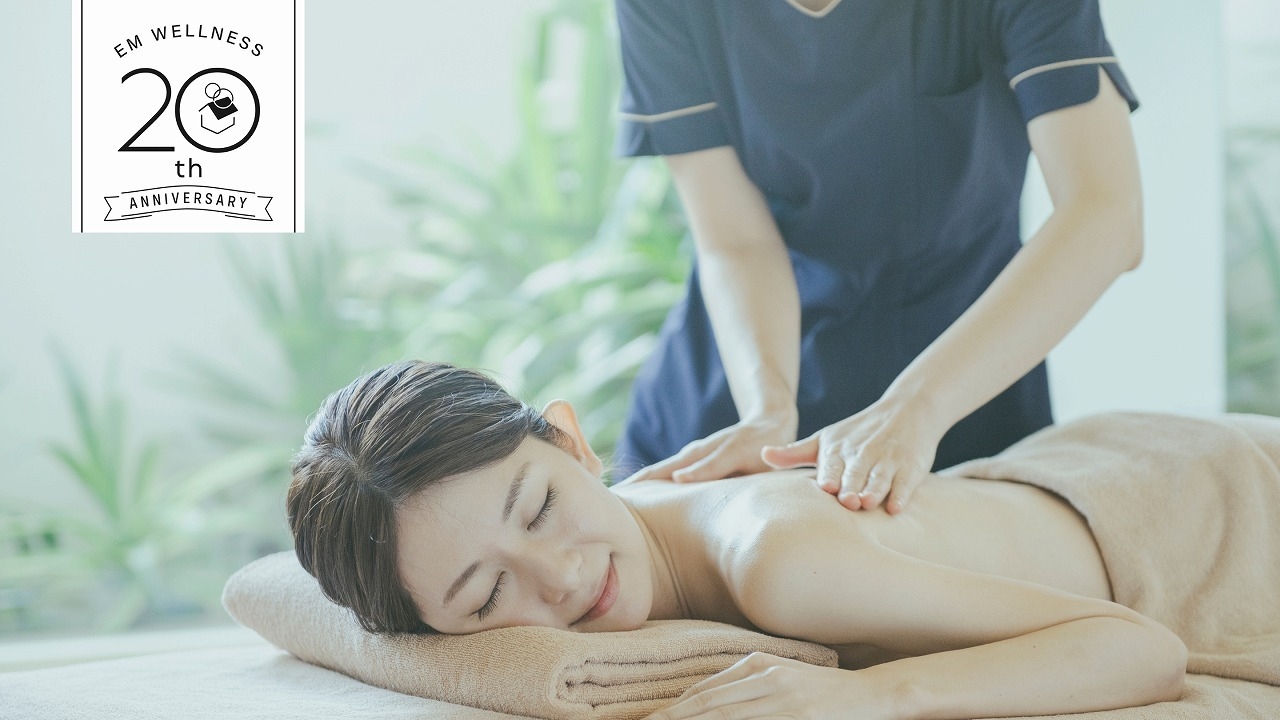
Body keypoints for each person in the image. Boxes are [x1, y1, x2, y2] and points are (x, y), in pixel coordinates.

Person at [287, 361, 1191, 720]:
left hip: (1185, 506)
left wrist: (877, 695)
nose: (558, 577)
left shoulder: (780, 563)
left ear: (572, 442)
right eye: (487, 597)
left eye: (540, 510)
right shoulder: (634, 514)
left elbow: (1141, 650)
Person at [610, 0, 1144, 515]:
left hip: (958, 397)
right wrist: (767, 413)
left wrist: (917, 406)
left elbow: (1106, 214)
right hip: (733, 401)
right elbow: (737, 241)